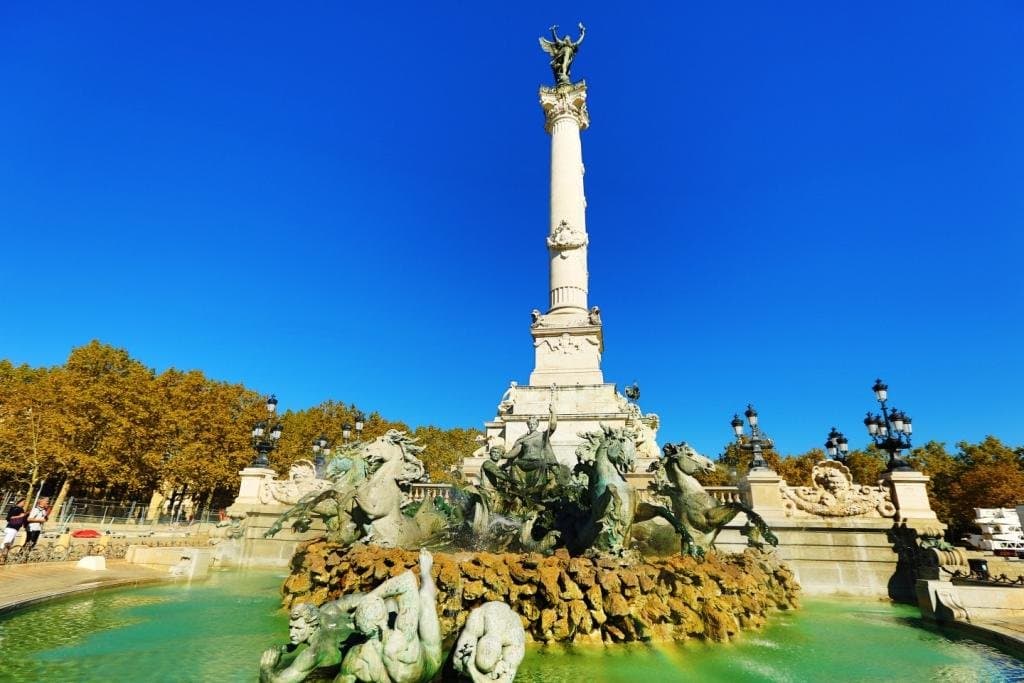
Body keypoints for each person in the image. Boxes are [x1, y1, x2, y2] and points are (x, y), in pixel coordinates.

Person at [338, 548, 442, 683]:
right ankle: (426, 573)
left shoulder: (356, 658)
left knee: (392, 605)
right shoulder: (404, 636)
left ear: (358, 626)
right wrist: (370, 596)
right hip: (428, 669)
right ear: (383, 620)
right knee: (425, 597)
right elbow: (408, 581)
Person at [451, 602, 526, 683]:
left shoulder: (516, 640)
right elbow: (456, 662)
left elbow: (505, 681)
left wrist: (471, 669)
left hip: (511, 621)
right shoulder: (476, 621)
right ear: (476, 645)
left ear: (500, 658)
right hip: (486, 612)